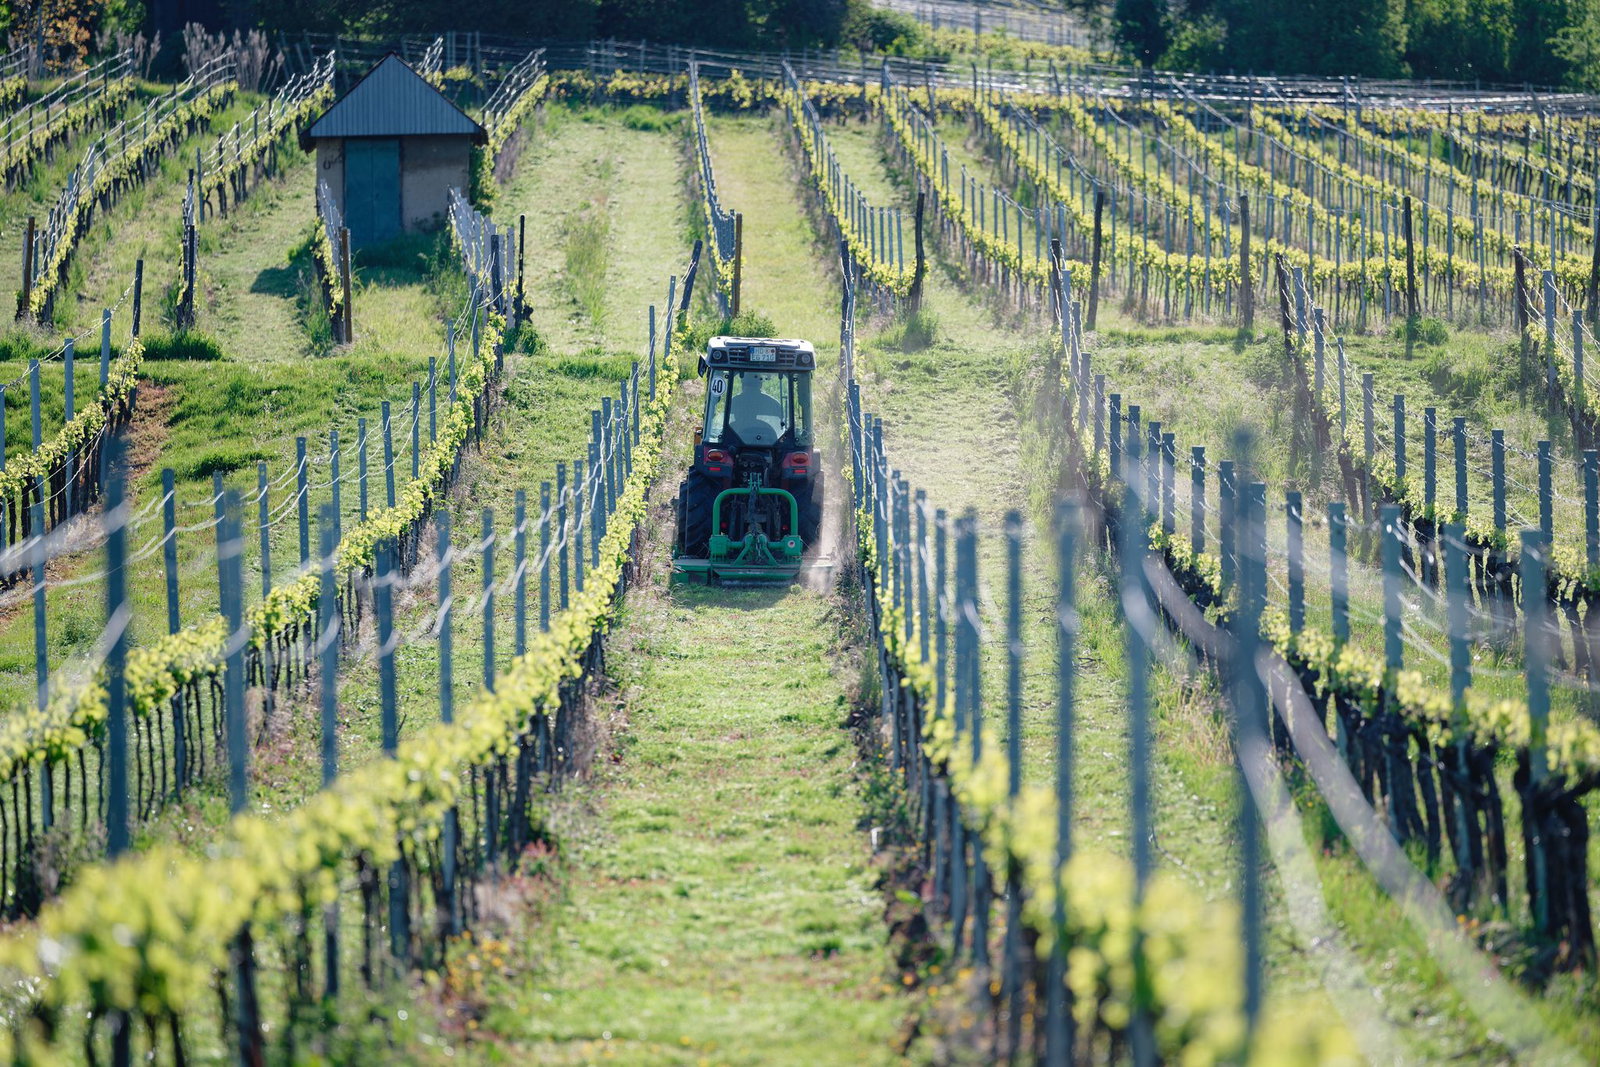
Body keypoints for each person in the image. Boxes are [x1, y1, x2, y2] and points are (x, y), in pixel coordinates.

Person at [729, 373, 784, 440]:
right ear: (760, 384)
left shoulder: (733, 402)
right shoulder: (774, 404)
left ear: (742, 384)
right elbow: (782, 432)